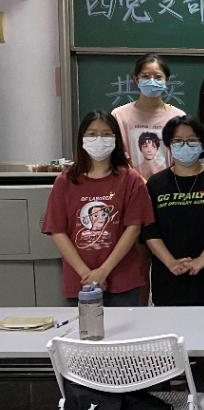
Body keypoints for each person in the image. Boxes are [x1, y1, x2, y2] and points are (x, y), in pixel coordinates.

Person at [42, 111, 154, 306]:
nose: (99, 140)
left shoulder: (131, 179)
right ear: (82, 139)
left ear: (116, 139)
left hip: (122, 279)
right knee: (85, 326)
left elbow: (133, 228)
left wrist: (103, 271)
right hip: (80, 280)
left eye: (106, 134)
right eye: (92, 134)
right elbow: (58, 231)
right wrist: (86, 273)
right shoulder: (66, 181)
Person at [143, 116, 204, 307]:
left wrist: (202, 260)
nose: (185, 145)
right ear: (168, 144)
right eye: (178, 141)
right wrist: (170, 262)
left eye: (192, 140)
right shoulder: (155, 183)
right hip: (168, 278)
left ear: (202, 142)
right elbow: (150, 230)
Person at [111, 53, 185, 178]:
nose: (152, 81)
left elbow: (182, 158)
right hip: (130, 184)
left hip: (168, 185)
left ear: (166, 80)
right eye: (145, 76)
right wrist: (139, 182)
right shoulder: (119, 116)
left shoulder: (178, 117)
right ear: (136, 79)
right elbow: (117, 157)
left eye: (158, 77)